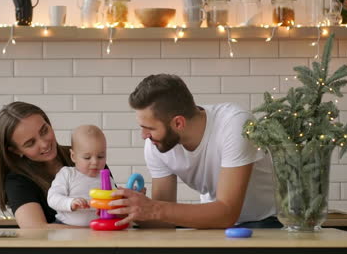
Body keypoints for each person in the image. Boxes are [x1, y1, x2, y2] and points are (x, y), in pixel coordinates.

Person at [108, 74, 277, 229]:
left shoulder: (234, 124)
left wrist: (152, 208)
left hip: (266, 223)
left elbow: (227, 212)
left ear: (179, 123)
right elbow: (162, 219)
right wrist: (132, 210)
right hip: (213, 224)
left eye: (149, 128)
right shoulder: (156, 144)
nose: (144, 136)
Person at [0, 102, 113, 228]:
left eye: (44, 131)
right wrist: (94, 227)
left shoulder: (87, 157)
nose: (44, 144)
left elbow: (112, 206)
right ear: (15, 150)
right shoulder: (17, 181)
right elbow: (36, 230)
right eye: (30, 143)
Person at [47, 125, 115, 226]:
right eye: (87, 157)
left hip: (97, 229)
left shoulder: (106, 179)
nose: (95, 162)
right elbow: (52, 198)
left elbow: (115, 201)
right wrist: (70, 202)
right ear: (73, 156)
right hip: (65, 227)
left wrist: (129, 194)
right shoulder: (67, 174)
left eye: (101, 156)